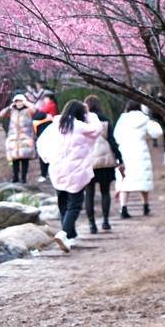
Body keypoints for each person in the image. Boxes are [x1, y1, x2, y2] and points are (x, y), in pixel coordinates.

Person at [36, 100, 104, 251]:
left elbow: (41, 143)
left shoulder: (55, 126)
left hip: (57, 169)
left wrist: (48, 160)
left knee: (63, 203)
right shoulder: (80, 126)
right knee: (74, 204)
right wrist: (90, 114)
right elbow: (97, 129)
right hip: (76, 170)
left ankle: (70, 236)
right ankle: (64, 233)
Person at [113, 100, 164, 217]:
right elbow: (157, 132)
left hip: (125, 152)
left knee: (124, 181)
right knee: (143, 179)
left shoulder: (122, 120)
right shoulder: (144, 119)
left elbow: (116, 136)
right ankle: (145, 206)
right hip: (140, 151)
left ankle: (123, 208)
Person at [82, 95, 123, 233]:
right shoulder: (105, 119)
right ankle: (105, 221)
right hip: (105, 162)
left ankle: (92, 224)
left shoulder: (83, 121)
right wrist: (119, 158)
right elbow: (112, 140)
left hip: (88, 162)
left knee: (89, 193)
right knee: (105, 192)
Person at [0, 94, 36, 183]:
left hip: (26, 137)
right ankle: (15, 176)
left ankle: (23, 177)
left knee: (24, 158)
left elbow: (34, 110)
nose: (19, 103)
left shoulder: (28, 110)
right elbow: (1, 114)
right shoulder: (12, 111)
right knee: (15, 158)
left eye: (20, 101)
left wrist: (26, 103)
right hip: (14, 138)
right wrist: (9, 107)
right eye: (17, 101)